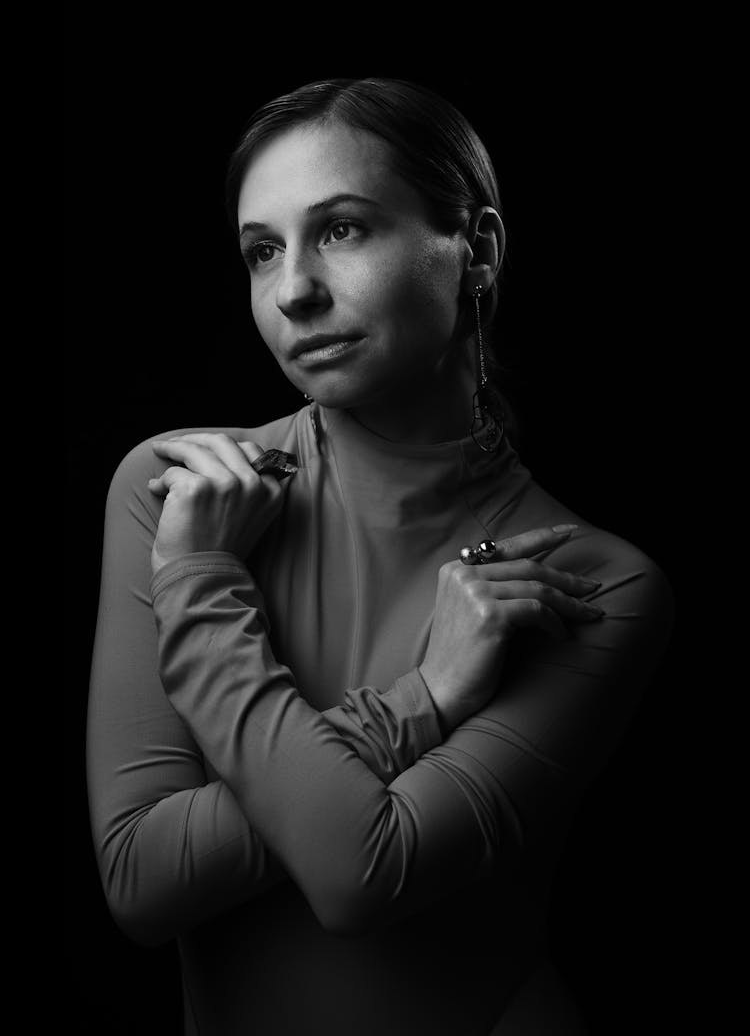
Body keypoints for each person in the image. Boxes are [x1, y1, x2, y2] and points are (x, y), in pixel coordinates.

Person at [86, 77, 674, 1035]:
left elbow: (362, 871)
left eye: (344, 229)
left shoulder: (592, 582)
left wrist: (199, 586)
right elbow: (141, 880)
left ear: (475, 249)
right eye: (262, 250)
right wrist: (425, 699)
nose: (294, 290)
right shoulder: (177, 492)